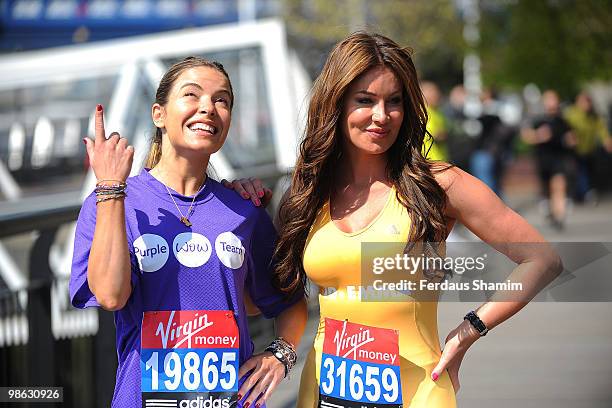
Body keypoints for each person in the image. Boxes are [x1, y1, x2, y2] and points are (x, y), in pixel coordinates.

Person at [228, 32, 562, 407]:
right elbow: (260, 302)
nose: (381, 116)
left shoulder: (437, 185)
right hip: (324, 392)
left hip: (418, 391)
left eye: (394, 102)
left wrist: (471, 329)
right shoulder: (305, 195)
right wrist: (236, 214)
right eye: (365, 101)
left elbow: (542, 260)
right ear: (335, 105)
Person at [70, 57, 307, 408]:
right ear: (159, 114)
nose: (208, 109)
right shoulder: (114, 200)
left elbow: (289, 300)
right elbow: (110, 296)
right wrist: (109, 189)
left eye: (221, 100)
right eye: (192, 95)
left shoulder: (244, 209)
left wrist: (280, 356)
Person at [521, 90, 577, 230]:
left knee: (559, 185)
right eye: (549, 100)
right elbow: (526, 137)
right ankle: (549, 209)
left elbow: (571, 136)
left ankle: (559, 216)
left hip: (558, 158)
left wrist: (571, 140)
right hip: (543, 159)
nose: (552, 103)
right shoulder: (538, 119)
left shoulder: (562, 120)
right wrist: (539, 136)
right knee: (546, 189)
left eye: (554, 100)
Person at [563, 91, 612, 202]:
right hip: (574, 150)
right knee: (579, 171)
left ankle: (584, 192)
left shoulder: (593, 116)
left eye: (588, 102)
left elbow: (601, 129)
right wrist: (569, 136)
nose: (586, 105)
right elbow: (565, 127)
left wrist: (606, 140)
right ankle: (582, 192)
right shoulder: (572, 114)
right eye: (583, 102)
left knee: (586, 170)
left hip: (588, 148)